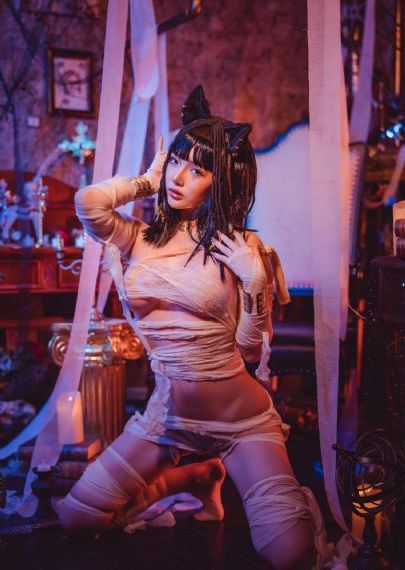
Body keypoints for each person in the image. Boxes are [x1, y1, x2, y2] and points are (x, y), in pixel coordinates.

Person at [57, 85, 323, 570]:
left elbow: (249, 351)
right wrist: (146, 180)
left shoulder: (239, 249)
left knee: (293, 555)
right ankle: (198, 477)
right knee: (77, 518)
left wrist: (255, 282)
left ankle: (210, 473)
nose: (178, 178)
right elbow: (88, 201)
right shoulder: (137, 237)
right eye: (176, 162)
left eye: (198, 170)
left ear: (222, 182)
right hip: (167, 419)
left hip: (241, 423)